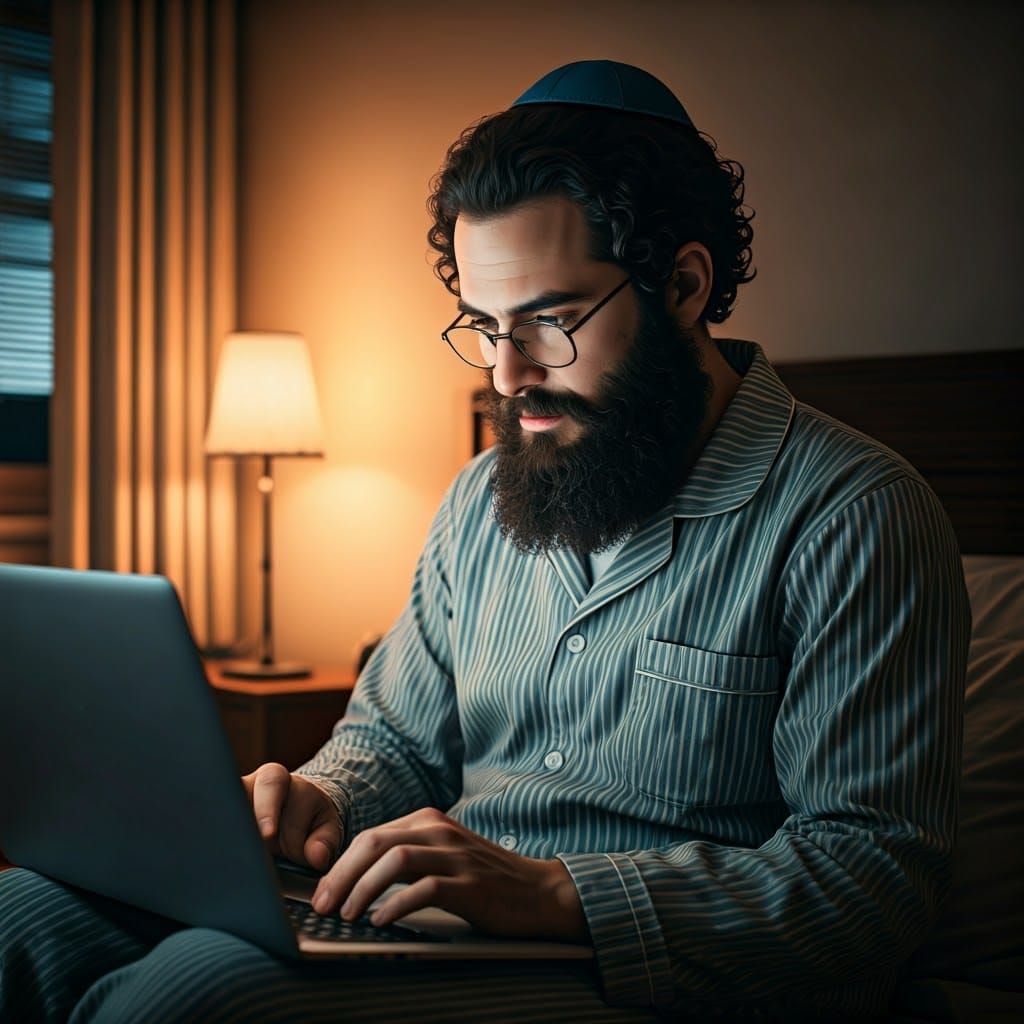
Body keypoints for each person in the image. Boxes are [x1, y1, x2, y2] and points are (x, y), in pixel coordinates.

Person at [0, 60, 970, 1023]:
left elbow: (868, 880)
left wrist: (553, 893)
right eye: (482, 324)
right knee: (19, 913)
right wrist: (316, 799)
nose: (505, 375)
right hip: (440, 923)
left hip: (645, 973)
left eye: (549, 322)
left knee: (200, 996)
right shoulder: (478, 499)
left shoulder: (855, 514)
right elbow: (393, 742)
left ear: (682, 283)